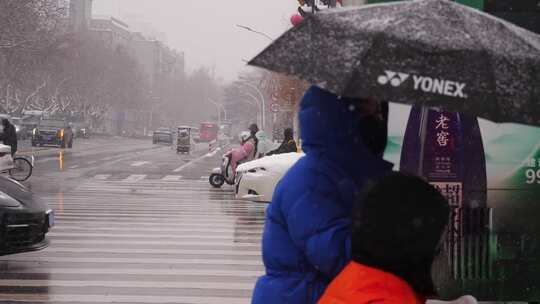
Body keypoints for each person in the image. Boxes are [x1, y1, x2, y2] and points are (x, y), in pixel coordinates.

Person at [251, 86, 393, 304]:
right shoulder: (311, 180)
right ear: (342, 117)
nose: (377, 121)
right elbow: (336, 254)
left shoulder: (348, 173)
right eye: (368, 113)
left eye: (379, 113)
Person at [318, 172, 451, 304]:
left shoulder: (354, 281)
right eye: (437, 245)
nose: (443, 255)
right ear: (413, 248)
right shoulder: (387, 298)